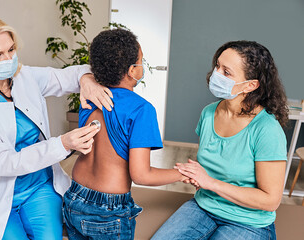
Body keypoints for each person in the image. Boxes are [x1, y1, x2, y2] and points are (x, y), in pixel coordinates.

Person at [0, 13, 114, 240]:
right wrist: (63, 143)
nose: (8, 60)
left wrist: (86, 81)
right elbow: (3, 162)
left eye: (11, 49)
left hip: (40, 187)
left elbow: (72, 74)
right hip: (0, 195)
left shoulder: (25, 77)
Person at [152, 40, 288, 240]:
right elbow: (213, 165)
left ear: (250, 85)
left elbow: (270, 201)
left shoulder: (267, 129)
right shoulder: (208, 113)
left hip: (248, 221)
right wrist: (195, 175)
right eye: (217, 66)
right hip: (204, 207)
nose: (216, 74)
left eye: (226, 72)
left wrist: (210, 182)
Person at [62, 29, 190, 240]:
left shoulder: (89, 97)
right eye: (141, 61)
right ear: (132, 71)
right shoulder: (141, 109)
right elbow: (142, 175)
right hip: (107, 211)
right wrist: (184, 173)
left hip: (74, 195)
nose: (142, 65)